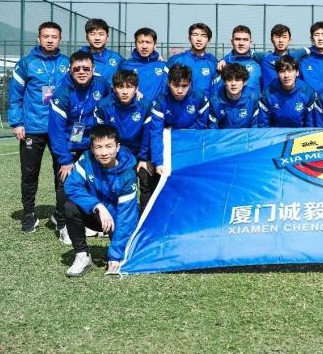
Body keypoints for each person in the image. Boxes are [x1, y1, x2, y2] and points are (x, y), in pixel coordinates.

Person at [9, 21, 70, 233]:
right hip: (32, 128)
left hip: (59, 128)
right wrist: (17, 122)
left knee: (63, 172)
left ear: (60, 39)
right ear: (38, 38)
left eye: (54, 37)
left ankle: (60, 215)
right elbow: (15, 95)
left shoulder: (67, 63)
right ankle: (29, 214)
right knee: (29, 174)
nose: (50, 40)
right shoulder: (26, 63)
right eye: (46, 36)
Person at [48, 50, 111, 243]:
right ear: (70, 70)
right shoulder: (62, 92)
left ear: (93, 69)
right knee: (66, 183)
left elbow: (114, 101)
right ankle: (63, 225)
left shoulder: (102, 84)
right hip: (68, 145)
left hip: (90, 146)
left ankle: (88, 221)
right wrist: (65, 160)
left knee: (93, 183)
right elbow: (56, 130)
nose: (82, 72)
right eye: (77, 69)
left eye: (86, 68)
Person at [63, 125, 139, 277]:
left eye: (109, 146)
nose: (104, 152)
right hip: (97, 214)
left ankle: (119, 247)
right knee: (70, 206)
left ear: (117, 147)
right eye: (98, 147)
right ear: (92, 148)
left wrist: (115, 255)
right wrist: (97, 206)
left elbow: (126, 217)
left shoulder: (128, 173)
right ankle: (82, 256)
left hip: (117, 218)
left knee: (129, 249)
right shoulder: (86, 160)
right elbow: (71, 186)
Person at [94, 70, 153, 210]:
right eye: (120, 87)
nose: (125, 92)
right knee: (114, 183)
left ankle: (144, 217)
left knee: (146, 179)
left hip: (138, 153)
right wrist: (112, 157)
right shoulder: (104, 106)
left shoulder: (144, 105)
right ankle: (112, 213)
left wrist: (144, 158)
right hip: (115, 153)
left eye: (129, 87)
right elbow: (101, 136)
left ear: (136, 88)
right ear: (114, 88)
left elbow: (147, 135)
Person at [149, 64, 211, 177]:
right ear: (168, 83)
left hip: (192, 139)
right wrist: (158, 162)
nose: (180, 90)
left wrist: (186, 135)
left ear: (190, 84)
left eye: (184, 86)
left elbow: (202, 124)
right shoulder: (161, 99)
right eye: (176, 85)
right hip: (170, 140)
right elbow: (156, 132)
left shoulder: (199, 96)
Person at [259, 55, 316, 127]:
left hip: (300, 133)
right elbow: (263, 125)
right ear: (277, 74)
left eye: (290, 71)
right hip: (276, 133)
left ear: (297, 73)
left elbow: (310, 124)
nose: (286, 75)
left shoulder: (307, 92)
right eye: (282, 71)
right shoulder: (268, 93)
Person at [166, 22, 219, 97]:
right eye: (195, 35)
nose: (199, 39)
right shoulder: (175, 60)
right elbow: (165, 86)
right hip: (179, 104)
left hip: (204, 104)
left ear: (209, 40)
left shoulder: (213, 63)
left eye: (203, 35)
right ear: (189, 38)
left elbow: (216, 90)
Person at [118, 27, 168, 103]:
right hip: (134, 109)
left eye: (148, 42)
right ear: (135, 44)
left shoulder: (163, 66)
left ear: (155, 45)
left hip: (157, 109)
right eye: (140, 42)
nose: (144, 46)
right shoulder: (125, 66)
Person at [209, 63, 260, 128]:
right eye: (229, 80)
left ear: (244, 82)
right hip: (223, 134)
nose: (233, 84)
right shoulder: (215, 101)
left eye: (237, 80)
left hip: (246, 134)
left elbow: (255, 127)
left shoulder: (253, 97)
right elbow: (212, 129)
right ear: (224, 82)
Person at [219, 25, 261, 92]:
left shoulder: (260, 60)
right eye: (237, 39)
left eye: (245, 40)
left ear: (250, 43)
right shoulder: (223, 64)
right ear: (232, 42)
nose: (241, 43)